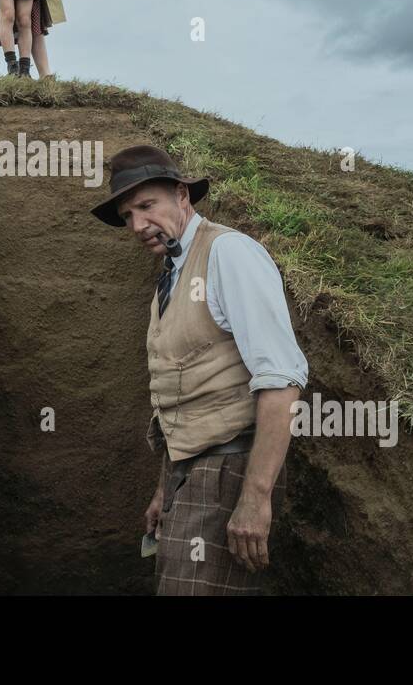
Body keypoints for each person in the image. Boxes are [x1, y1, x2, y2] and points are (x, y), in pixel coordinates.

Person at [88, 145, 309, 595]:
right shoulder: (172, 273)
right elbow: (186, 394)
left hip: (231, 471)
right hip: (192, 475)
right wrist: (165, 490)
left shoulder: (228, 253)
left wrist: (255, 496)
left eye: (147, 206)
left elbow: (282, 380)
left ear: (182, 195)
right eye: (128, 215)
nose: (138, 225)